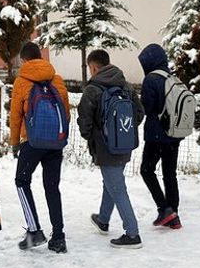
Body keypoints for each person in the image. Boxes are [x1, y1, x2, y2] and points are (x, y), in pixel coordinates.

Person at [77, 50, 145, 249]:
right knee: (111, 182)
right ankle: (103, 219)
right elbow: (139, 113)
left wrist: (94, 138)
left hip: (105, 147)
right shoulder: (125, 85)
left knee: (117, 187)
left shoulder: (93, 89)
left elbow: (84, 121)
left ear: (93, 67)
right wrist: (121, 132)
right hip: (124, 144)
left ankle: (132, 234)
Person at [10, 42, 70, 253]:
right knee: (52, 187)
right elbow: (66, 112)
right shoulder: (58, 79)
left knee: (21, 181)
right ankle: (59, 237)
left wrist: (15, 143)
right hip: (55, 142)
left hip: (33, 142)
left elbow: (15, 116)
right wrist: (60, 136)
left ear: (25, 60)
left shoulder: (21, 82)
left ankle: (34, 231)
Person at [137, 44, 183, 229]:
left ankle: (164, 208)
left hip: (157, 135)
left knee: (147, 171)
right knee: (169, 173)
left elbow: (147, 108)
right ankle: (173, 213)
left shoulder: (151, 79)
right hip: (175, 133)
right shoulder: (173, 77)